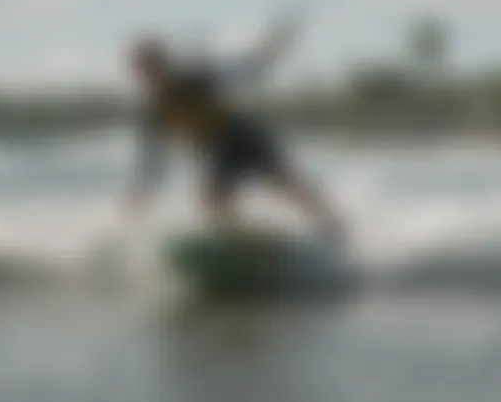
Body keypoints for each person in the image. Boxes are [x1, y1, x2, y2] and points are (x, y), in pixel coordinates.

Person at [123, 19, 343, 239]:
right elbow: (153, 160)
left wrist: (272, 47)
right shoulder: (154, 114)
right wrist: (143, 192)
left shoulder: (196, 80)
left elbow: (245, 69)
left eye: (156, 67)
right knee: (211, 199)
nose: (153, 77)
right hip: (217, 152)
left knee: (284, 182)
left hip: (243, 137)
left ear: (166, 64)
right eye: (145, 72)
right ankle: (240, 242)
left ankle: (330, 224)